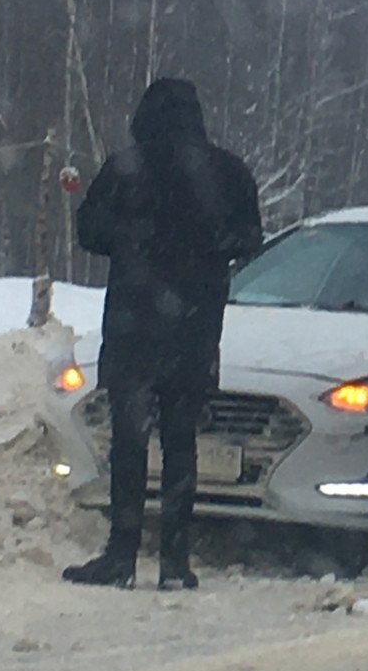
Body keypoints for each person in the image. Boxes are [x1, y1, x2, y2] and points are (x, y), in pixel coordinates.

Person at [63, 78, 263, 591]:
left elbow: (88, 232)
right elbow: (248, 239)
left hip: (134, 324)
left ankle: (121, 554)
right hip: (195, 326)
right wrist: (202, 248)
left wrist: (138, 239)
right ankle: (175, 560)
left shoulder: (127, 167)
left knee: (128, 442)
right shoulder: (228, 171)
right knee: (181, 441)